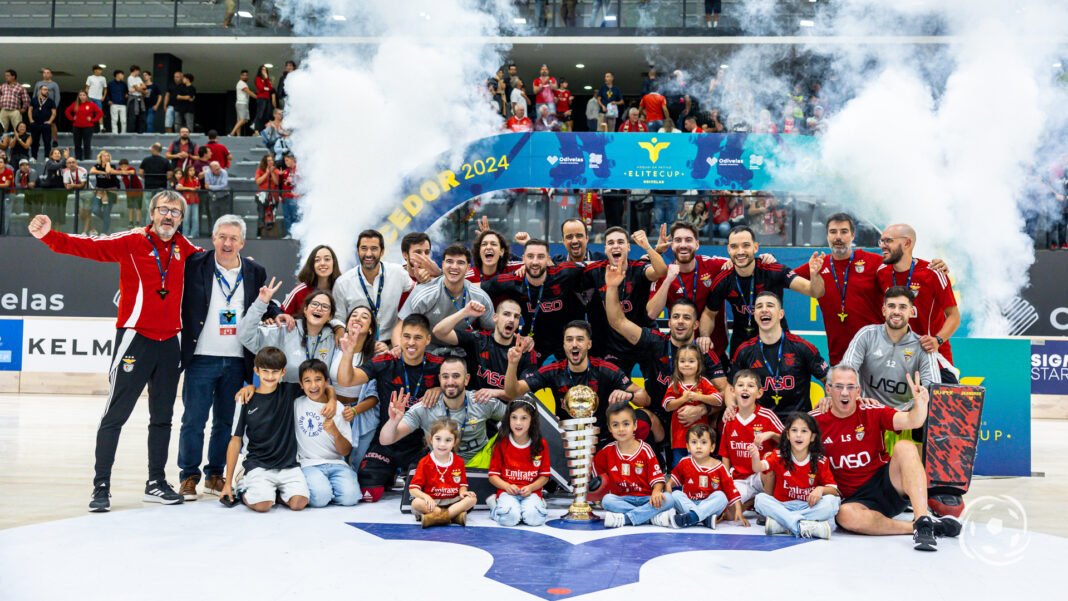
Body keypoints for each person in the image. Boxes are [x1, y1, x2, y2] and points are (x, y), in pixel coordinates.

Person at [28, 190, 198, 511]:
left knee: (162, 418)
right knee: (115, 415)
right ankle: (101, 486)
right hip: (135, 340)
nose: (169, 216)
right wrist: (49, 235)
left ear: (181, 218)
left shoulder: (185, 249)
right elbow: (87, 245)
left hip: (170, 344)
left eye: (175, 212)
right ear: (151, 212)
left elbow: (218, 263)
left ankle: (156, 482)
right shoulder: (132, 241)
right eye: (163, 209)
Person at [177, 215, 277, 500]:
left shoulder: (255, 270)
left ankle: (214, 474)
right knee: (193, 420)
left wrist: (276, 313)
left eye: (233, 238)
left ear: (242, 242)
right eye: (222, 236)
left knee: (225, 422)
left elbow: (262, 303)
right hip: (200, 357)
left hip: (236, 360)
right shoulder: (195, 265)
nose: (227, 243)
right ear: (213, 238)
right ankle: (189, 476)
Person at [811, 365, 960, 550]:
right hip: (854, 500)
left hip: (886, 486)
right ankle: (921, 527)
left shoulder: (871, 409)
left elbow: (912, 421)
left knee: (905, 447)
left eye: (850, 387)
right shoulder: (814, 420)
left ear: (858, 390)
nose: (844, 393)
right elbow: (790, 442)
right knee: (844, 515)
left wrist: (921, 404)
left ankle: (922, 519)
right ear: (828, 389)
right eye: (838, 386)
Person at [604, 262, 727, 448]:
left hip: (694, 420)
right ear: (669, 322)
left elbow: (725, 393)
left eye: (687, 318)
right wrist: (612, 287)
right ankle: (651, 463)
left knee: (725, 417)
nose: (680, 322)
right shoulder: (654, 341)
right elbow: (617, 322)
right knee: (637, 421)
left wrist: (703, 409)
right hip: (659, 417)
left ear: (695, 325)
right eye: (676, 317)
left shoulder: (704, 352)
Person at [335, 314, 444, 502]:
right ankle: (389, 475)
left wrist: (440, 388)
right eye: (407, 336)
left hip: (420, 445)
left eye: (418, 337)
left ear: (427, 339)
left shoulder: (439, 366)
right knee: (369, 492)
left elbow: (460, 384)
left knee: (419, 493)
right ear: (399, 338)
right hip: (386, 442)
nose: (411, 343)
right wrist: (348, 353)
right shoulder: (385, 361)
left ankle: (404, 473)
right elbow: (346, 380)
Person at [505, 321, 649, 446]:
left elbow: (645, 398)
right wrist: (512, 364)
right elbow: (513, 392)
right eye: (569, 340)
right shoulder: (553, 370)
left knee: (641, 420)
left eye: (580, 339)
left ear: (589, 344)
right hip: (566, 441)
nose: (574, 344)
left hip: (601, 441)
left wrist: (629, 395)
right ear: (564, 344)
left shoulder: (605, 369)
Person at [701, 226, 825, 361]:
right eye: (734, 246)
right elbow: (709, 313)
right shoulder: (723, 279)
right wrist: (705, 336)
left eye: (746, 245)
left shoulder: (773, 270)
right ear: (729, 249)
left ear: (755, 247)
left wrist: (815, 275)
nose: (740, 251)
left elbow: (814, 291)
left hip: (778, 343)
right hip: (742, 346)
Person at [219, 348, 312, 513]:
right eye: (265, 371)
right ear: (256, 371)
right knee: (263, 505)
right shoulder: (245, 399)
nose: (270, 376)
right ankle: (243, 486)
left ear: (283, 372)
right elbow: (235, 440)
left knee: (299, 503)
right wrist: (227, 484)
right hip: (258, 465)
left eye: (275, 372)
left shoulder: (289, 392)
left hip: (288, 465)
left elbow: (323, 389)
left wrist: (332, 399)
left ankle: (274, 492)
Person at [792, 213, 885, 364]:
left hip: (875, 357)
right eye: (833, 232)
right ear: (827, 236)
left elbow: (906, 268)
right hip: (840, 359)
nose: (838, 237)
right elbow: (782, 276)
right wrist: (767, 260)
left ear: (853, 235)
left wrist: (935, 266)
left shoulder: (873, 261)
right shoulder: (818, 265)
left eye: (844, 231)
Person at [378, 356, 506, 462]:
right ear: (439, 379)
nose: (450, 381)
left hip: (479, 466)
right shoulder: (425, 407)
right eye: (445, 376)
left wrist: (500, 393)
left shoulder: (482, 401)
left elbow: (518, 418)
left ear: (466, 379)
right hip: (443, 470)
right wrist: (394, 421)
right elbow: (386, 440)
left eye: (456, 376)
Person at [876, 223, 960, 381]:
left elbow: (954, 316)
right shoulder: (881, 273)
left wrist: (937, 340)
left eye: (888, 241)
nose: (883, 246)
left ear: (907, 243)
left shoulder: (933, 273)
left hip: (933, 360)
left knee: (942, 406)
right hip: (897, 363)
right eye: (881, 241)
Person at [730, 292, 829, 421]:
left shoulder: (803, 347)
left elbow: (829, 379)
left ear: (781, 314)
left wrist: (830, 398)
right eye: (759, 307)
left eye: (770, 306)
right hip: (760, 427)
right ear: (754, 315)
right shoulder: (744, 350)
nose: (764, 310)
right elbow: (730, 386)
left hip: (797, 427)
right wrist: (731, 406)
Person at [580, 227, 667, 374]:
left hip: (644, 337)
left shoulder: (639, 268)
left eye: (621, 242)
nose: (616, 246)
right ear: (606, 248)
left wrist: (647, 246)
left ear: (628, 247)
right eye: (611, 242)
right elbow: (565, 271)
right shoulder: (596, 270)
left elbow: (661, 271)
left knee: (657, 391)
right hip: (615, 346)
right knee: (613, 394)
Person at [481, 239, 584, 362]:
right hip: (532, 344)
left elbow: (596, 265)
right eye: (530, 257)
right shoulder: (513, 280)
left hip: (566, 344)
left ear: (548, 259)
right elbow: (476, 290)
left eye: (540, 257)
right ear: (523, 259)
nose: (535, 262)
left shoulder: (564, 273)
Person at [840, 286, 941, 410]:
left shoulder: (922, 345)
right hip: (868, 412)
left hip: (906, 418)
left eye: (903, 307)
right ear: (884, 310)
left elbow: (934, 390)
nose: (896, 312)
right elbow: (846, 370)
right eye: (891, 306)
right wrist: (854, 395)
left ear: (912, 312)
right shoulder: (866, 334)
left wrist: (921, 396)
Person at [749, 412, 840, 539]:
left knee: (832, 502)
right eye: (794, 430)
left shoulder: (820, 460)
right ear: (787, 435)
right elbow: (758, 467)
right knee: (760, 499)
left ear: (812, 437)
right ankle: (802, 525)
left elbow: (834, 490)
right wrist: (755, 457)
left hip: (808, 506)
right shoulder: (778, 455)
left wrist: (821, 489)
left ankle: (784, 524)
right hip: (783, 505)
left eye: (804, 431)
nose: (798, 435)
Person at [238, 278, 341, 384]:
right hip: (286, 397)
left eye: (325, 307)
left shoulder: (334, 339)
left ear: (330, 316)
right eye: (314, 304)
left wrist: (339, 327)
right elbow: (245, 336)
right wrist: (261, 303)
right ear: (305, 310)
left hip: (317, 397)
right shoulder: (285, 330)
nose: (319, 308)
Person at [396, 243, 495, 349]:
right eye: (449, 261)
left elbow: (492, 330)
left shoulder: (480, 297)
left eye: (460, 263)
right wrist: (398, 350)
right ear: (443, 265)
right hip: (427, 352)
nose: (454, 267)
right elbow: (400, 329)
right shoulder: (424, 292)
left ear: (468, 268)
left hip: (462, 353)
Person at [432, 297, 537, 397]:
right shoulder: (478, 339)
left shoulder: (525, 350)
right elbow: (439, 332)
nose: (511, 320)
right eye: (506, 314)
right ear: (495, 318)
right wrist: (465, 312)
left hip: (507, 410)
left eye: (516, 317)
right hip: (475, 406)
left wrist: (496, 393)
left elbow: (522, 393)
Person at [594, 402, 675, 528]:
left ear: (635, 425)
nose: (621, 429)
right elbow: (597, 479)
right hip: (622, 499)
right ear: (609, 428)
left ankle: (626, 518)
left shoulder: (646, 449)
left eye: (626, 424)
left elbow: (658, 479)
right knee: (607, 500)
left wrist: (657, 492)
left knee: (669, 499)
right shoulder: (606, 452)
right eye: (615, 425)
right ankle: (649, 517)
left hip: (647, 499)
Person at [292, 359, 360, 507]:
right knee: (319, 499)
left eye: (318, 380)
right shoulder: (296, 405)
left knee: (351, 498)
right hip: (309, 464)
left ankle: (331, 489)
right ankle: (326, 491)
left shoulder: (339, 408)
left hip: (337, 463)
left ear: (327, 381)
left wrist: (335, 432)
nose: (314, 385)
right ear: (301, 385)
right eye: (307, 381)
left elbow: (346, 450)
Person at [332, 229, 417, 344]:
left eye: (374, 249)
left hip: (390, 344)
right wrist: (339, 329)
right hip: (358, 344)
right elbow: (338, 318)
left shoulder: (397, 273)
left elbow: (418, 292)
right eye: (364, 248)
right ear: (357, 251)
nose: (368, 254)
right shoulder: (343, 283)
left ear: (382, 252)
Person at [329, 305, 383, 471]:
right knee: (335, 459)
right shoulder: (335, 346)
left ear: (370, 330)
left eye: (364, 316)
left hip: (362, 413)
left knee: (357, 465)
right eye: (354, 315)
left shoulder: (375, 355)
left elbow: (375, 396)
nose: (358, 318)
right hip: (335, 409)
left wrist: (354, 411)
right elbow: (329, 318)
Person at [718, 369, 783, 505]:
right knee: (730, 513)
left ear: (759, 393)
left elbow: (789, 442)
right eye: (740, 385)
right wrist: (726, 481)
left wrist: (772, 434)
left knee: (769, 460)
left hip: (762, 476)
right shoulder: (729, 419)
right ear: (733, 391)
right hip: (740, 478)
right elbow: (725, 455)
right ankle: (753, 502)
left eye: (750, 386)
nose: (745, 389)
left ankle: (768, 507)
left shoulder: (767, 416)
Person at [667, 424, 747, 528]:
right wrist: (668, 486)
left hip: (710, 506)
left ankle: (692, 517)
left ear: (712, 447)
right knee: (675, 494)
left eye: (703, 442)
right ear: (688, 447)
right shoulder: (684, 462)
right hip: (690, 502)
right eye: (694, 442)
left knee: (721, 496)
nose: (698, 446)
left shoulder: (719, 467)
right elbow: (672, 481)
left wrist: (739, 510)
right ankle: (702, 519)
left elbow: (731, 489)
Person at [488, 398, 552, 527]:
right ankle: (495, 507)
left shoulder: (540, 444)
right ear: (508, 419)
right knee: (509, 520)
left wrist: (531, 488)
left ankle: (535, 505)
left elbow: (544, 476)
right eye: (514, 417)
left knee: (535, 520)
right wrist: (506, 486)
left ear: (532, 420)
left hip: (531, 492)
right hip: (507, 492)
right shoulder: (501, 443)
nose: (518, 422)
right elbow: (493, 475)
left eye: (524, 418)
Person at [408, 418, 477, 527]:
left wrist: (463, 492)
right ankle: (454, 517)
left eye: (448, 440)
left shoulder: (458, 461)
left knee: (472, 499)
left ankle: (435, 518)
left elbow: (462, 484)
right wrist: (427, 497)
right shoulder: (425, 462)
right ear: (431, 439)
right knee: (416, 503)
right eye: (438, 439)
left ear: (455, 442)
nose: (442, 444)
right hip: (433, 503)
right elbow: (413, 489)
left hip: (453, 501)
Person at [662, 345, 723, 469]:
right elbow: (667, 406)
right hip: (679, 437)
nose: (686, 365)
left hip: (700, 437)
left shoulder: (703, 382)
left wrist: (699, 397)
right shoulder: (675, 384)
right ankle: (677, 489)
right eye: (682, 361)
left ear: (698, 364)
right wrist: (683, 399)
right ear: (677, 364)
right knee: (678, 465)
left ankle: (696, 487)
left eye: (691, 361)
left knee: (697, 465)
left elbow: (718, 400)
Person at [283, 244, 342, 315]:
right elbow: (281, 315)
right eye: (317, 260)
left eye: (327, 259)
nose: (322, 263)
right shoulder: (300, 291)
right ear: (312, 265)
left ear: (334, 263)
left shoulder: (340, 290)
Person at [88, 150, 121, 235]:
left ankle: (104, 231)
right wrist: (102, 172)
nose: (106, 157)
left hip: (110, 192)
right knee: (95, 209)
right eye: (104, 156)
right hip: (99, 191)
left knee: (107, 211)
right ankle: (107, 220)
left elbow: (108, 171)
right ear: (100, 157)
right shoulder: (97, 166)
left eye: (108, 156)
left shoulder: (112, 165)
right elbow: (91, 171)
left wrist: (108, 164)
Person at [65, 91, 103, 161]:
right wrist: (72, 118)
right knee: (77, 144)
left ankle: (87, 159)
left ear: (86, 96)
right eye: (80, 95)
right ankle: (78, 159)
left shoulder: (91, 104)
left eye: (84, 95)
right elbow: (67, 111)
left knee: (87, 144)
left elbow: (100, 113)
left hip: (88, 127)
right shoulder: (75, 104)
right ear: (78, 97)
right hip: (77, 127)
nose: (82, 96)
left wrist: (93, 120)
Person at [27, 85, 56, 162]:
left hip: (45, 124)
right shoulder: (34, 100)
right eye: (45, 89)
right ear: (40, 90)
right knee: (35, 141)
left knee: (47, 141)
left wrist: (50, 121)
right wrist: (31, 120)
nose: (47, 91)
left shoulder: (51, 101)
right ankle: (33, 157)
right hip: (35, 123)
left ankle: (47, 157)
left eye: (47, 90)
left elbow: (54, 113)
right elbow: (30, 110)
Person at [175, 165, 202, 237]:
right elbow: (178, 187)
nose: (192, 172)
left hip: (195, 199)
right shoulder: (184, 179)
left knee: (195, 218)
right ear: (187, 171)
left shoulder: (196, 179)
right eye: (190, 170)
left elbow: (199, 187)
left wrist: (197, 188)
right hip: (186, 200)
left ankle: (194, 233)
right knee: (186, 218)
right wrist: (190, 188)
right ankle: (185, 233)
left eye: (193, 170)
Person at [275, 153, 298, 235]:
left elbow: (298, 183)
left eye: (287, 160)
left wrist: (290, 182)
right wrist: (280, 176)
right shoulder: (286, 171)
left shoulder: (299, 170)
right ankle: (289, 234)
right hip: (286, 197)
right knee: (287, 217)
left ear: (292, 160)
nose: (285, 163)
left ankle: (296, 234)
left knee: (295, 217)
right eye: (285, 161)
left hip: (294, 198)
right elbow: (281, 183)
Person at [0, 69, 30, 133]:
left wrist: (24, 108)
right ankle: (2, 142)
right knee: (1, 128)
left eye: (8, 75)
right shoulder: (2, 86)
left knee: (18, 128)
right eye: (5, 75)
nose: (6, 77)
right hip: (4, 110)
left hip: (15, 111)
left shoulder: (20, 87)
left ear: (13, 77)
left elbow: (26, 99)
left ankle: (18, 142)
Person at [117, 158, 143, 226]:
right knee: (131, 207)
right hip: (129, 191)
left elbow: (132, 172)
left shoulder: (131, 168)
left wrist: (123, 172)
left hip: (138, 190)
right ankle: (130, 222)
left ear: (128, 166)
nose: (124, 168)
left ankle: (138, 222)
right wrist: (121, 171)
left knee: (138, 207)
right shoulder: (120, 170)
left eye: (125, 166)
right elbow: (113, 171)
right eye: (122, 166)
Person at [230, 70, 254, 136]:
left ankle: (238, 136)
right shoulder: (241, 83)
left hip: (241, 103)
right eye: (243, 75)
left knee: (239, 121)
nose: (245, 76)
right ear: (240, 76)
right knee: (243, 120)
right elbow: (248, 91)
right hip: (242, 103)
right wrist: (257, 97)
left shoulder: (243, 83)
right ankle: (232, 133)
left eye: (246, 75)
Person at [84, 65, 107, 131]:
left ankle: (102, 128)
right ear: (95, 70)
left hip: (98, 98)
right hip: (90, 97)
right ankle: (87, 126)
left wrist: (104, 97)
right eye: (99, 70)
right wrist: (86, 97)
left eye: (101, 70)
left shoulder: (103, 78)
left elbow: (105, 88)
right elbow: (87, 88)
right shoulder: (90, 77)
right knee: (88, 112)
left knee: (99, 113)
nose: (100, 71)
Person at [253, 65, 275, 132]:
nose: (264, 71)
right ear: (260, 71)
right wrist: (267, 88)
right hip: (261, 98)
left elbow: (271, 88)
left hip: (267, 99)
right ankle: (256, 131)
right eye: (262, 69)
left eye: (265, 70)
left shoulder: (266, 80)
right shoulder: (258, 78)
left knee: (266, 115)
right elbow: (261, 88)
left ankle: (263, 130)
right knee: (260, 114)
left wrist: (266, 79)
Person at [126, 65, 147, 134]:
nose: (139, 73)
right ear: (135, 70)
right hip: (133, 98)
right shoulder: (130, 78)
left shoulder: (138, 78)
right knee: (132, 117)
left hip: (140, 98)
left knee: (141, 117)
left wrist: (137, 89)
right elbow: (138, 88)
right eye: (138, 71)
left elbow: (144, 86)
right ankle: (131, 133)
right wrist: (138, 89)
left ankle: (141, 132)